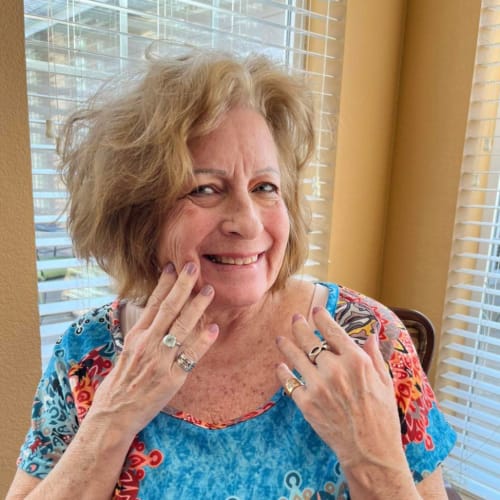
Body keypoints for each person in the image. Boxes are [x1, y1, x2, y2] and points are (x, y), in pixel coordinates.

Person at [7, 49, 456, 499]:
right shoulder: (89, 355)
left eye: (265, 187)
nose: (248, 221)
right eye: (205, 188)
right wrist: (112, 417)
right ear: (138, 215)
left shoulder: (368, 340)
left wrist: (372, 459)